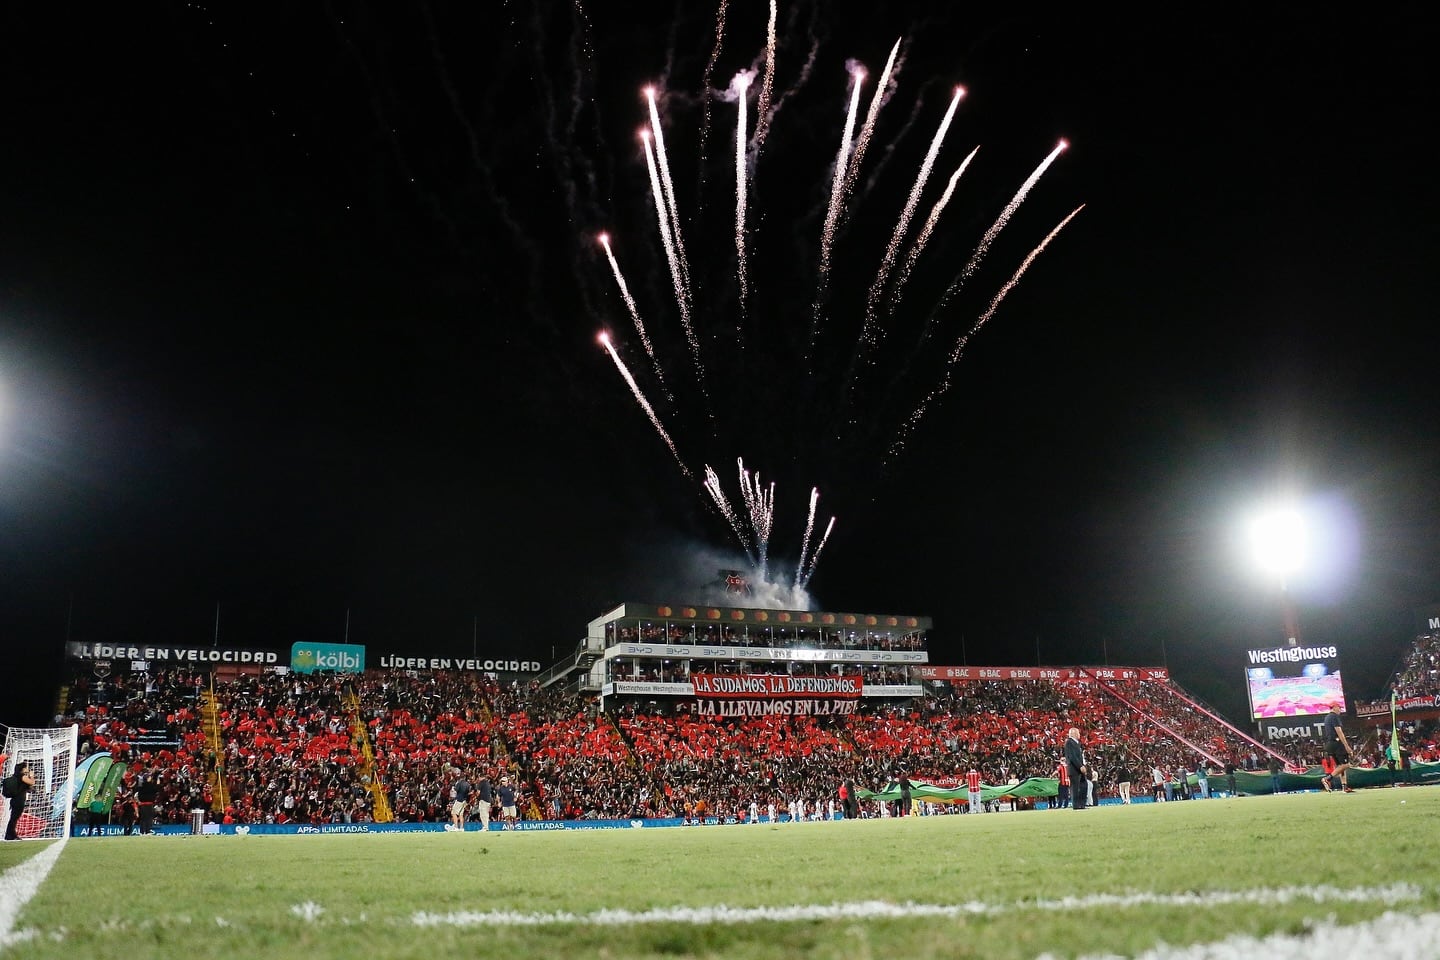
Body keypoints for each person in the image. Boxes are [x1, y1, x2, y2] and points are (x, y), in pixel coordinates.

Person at [1322, 703, 1355, 792]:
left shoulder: (1327, 717)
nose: (1340, 710)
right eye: (1339, 708)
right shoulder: (1334, 717)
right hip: (1337, 743)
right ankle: (1327, 779)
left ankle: (1344, 786)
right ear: (1334, 707)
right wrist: (1347, 746)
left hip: (1330, 743)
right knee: (1346, 764)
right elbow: (1339, 732)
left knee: (1340, 766)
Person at [4, 761, 36, 841]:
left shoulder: (16, 777)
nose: (27, 769)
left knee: (14, 818)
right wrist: (31, 776)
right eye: (26, 767)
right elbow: (32, 782)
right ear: (22, 769)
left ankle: (10, 834)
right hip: (19, 800)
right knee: (14, 818)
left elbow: (28, 787)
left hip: (15, 800)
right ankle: (10, 835)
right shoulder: (22, 777)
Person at [1064, 728, 1087, 811]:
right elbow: (1072, 756)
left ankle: (1082, 804)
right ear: (1074, 733)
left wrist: (1083, 765)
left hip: (1079, 769)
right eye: (1078, 733)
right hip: (1074, 769)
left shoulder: (1077, 743)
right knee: (1075, 788)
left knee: (1083, 786)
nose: (1079, 734)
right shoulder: (1069, 742)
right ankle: (1076, 805)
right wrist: (1080, 766)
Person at [450, 767, 472, 831]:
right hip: (464, 800)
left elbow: (455, 791)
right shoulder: (468, 784)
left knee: (453, 813)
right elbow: (468, 792)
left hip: (459, 800)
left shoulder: (459, 783)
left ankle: (456, 827)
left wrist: (453, 788)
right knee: (461, 814)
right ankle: (462, 828)